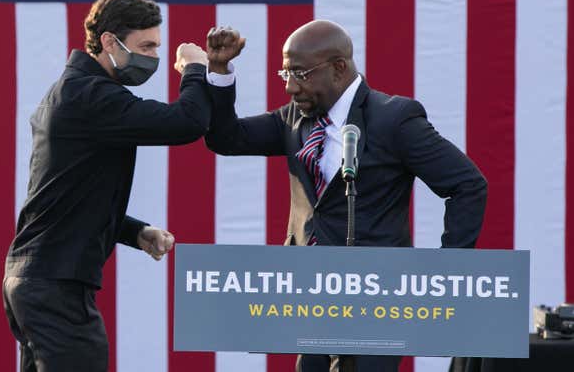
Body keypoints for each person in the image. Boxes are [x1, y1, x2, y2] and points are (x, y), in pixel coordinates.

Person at [197, 20, 488, 372]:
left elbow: (467, 185)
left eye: (300, 73)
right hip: (310, 298)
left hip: (378, 301)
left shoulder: (394, 119)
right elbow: (226, 138)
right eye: (285, 73)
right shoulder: (294, 119)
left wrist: (446, 272)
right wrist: (219, 70)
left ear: (338, 69)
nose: (290, 87)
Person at [2, 0, 210, 372]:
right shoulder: (90, 95)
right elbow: (187, 123)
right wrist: (195, 70)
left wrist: (133, 231)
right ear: (109, 42)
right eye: (145, 46)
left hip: (36, 279)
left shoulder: (75, 90)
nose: (154, 57)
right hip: (55, 285)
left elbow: (70, 196)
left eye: (157, 47)